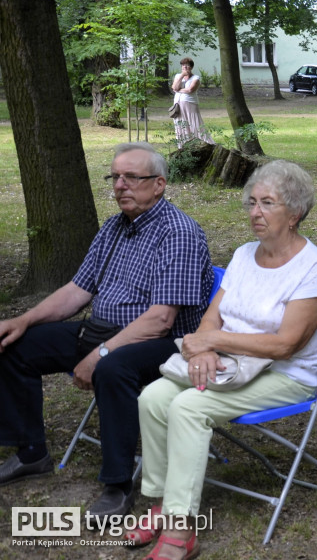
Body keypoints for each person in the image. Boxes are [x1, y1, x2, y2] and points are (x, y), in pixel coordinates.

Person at [131, 160, 317, 557]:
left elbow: (285, 346)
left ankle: (180, 527)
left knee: (189, 407)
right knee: (153, 398)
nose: (255, 212)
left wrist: (213, 341)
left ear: (295, 214)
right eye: (252, 202)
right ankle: (158, 503)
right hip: (228, 361)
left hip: (286, 374)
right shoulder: (244, 255)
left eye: (267, 204)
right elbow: (214, 315)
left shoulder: (313, 266)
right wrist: (205, 346)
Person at [0, 143, 213, 519]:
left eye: (132, 177)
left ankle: (117, 486)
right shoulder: (115, 226)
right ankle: (32, 453)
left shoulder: (178, 233)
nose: (120, 185)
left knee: (115, 368)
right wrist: (24, 320)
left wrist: (100, 355)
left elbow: (160, 320)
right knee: (14, 345)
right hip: (101, 330)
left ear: (159, 184)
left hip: (161, 343)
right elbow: (76, 291)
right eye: (115, 177)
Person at [171, 57, 213, 148]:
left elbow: (190, 90)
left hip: (190, 103)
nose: (185, 67)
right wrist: (182, 76)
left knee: (194, 123)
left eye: (187, 65)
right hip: (178, 104)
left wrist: (178, 90)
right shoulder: (178, 76)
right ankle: (183, 145)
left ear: (191, 67)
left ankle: (203, 144)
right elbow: (174, 87)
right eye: (183, 65)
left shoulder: (196, 78)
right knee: (180, 124)